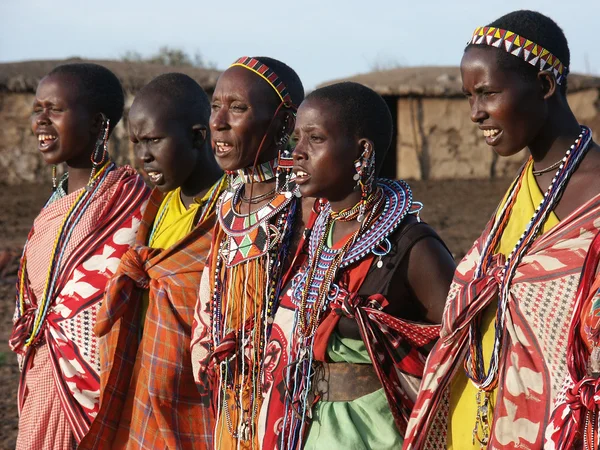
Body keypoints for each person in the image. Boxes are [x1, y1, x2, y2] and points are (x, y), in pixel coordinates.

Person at [404, 10, 600, 450]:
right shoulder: (524, 190)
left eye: (488, 94)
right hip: (481, 422)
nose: (475, 114)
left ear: (546, 87)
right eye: (469, 97)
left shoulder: (594, 195)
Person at [258, 82, 456, 450]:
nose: (297, 153)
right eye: (297, 138)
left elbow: (459, 347)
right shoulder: (317, 233)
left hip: (376, 433)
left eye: (314, 139)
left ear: (361, 151)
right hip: (311, 425)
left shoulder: (411, 246)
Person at [9, 63, 150, 450]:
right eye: (37, 109)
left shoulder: (131, 203)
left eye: (54, 109)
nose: (40, 121)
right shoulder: (54, 206)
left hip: (103, 387)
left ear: (97, 123)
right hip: (44, 378)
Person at [79, 73, 224, 449]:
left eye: (154, 141)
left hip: (200, 388)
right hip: (148, 373)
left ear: (197, 136)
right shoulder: (159, 205)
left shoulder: (231, 210)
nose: (143, 156)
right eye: (136, 143)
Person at [190, 56, 306, 449]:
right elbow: (214, 291)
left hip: (290, 397)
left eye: (237, 108)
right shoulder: (226, 204)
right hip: (232, 394)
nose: (218, 122)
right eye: (215, 106)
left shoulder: (306, 206)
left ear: (284, 124)